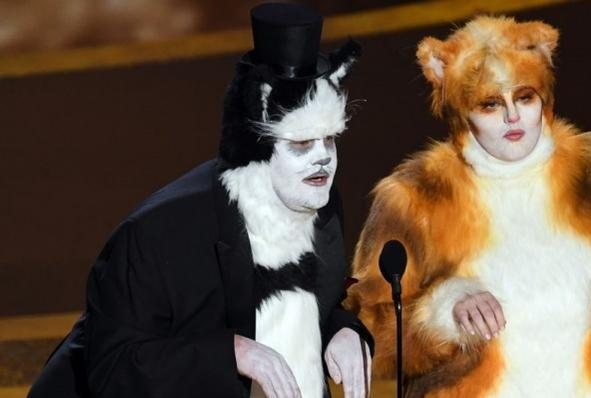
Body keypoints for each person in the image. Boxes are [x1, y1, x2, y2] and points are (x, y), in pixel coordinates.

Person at [346, 15, 591, 397]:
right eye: (489, 104)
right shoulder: (413, 196)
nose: (512, 116)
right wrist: (442, 311)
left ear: (544, 98)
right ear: (460, 113)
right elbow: (368, 329)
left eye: (525, 96)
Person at [29, 3, 372, 398]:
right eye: (300, 144)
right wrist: (232, 352)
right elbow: (112, 366)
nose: (323, 159)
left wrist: (340, 329)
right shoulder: (158, 234)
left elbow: (306, 302)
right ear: (255, 153)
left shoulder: (318, 202)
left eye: (329, 140)